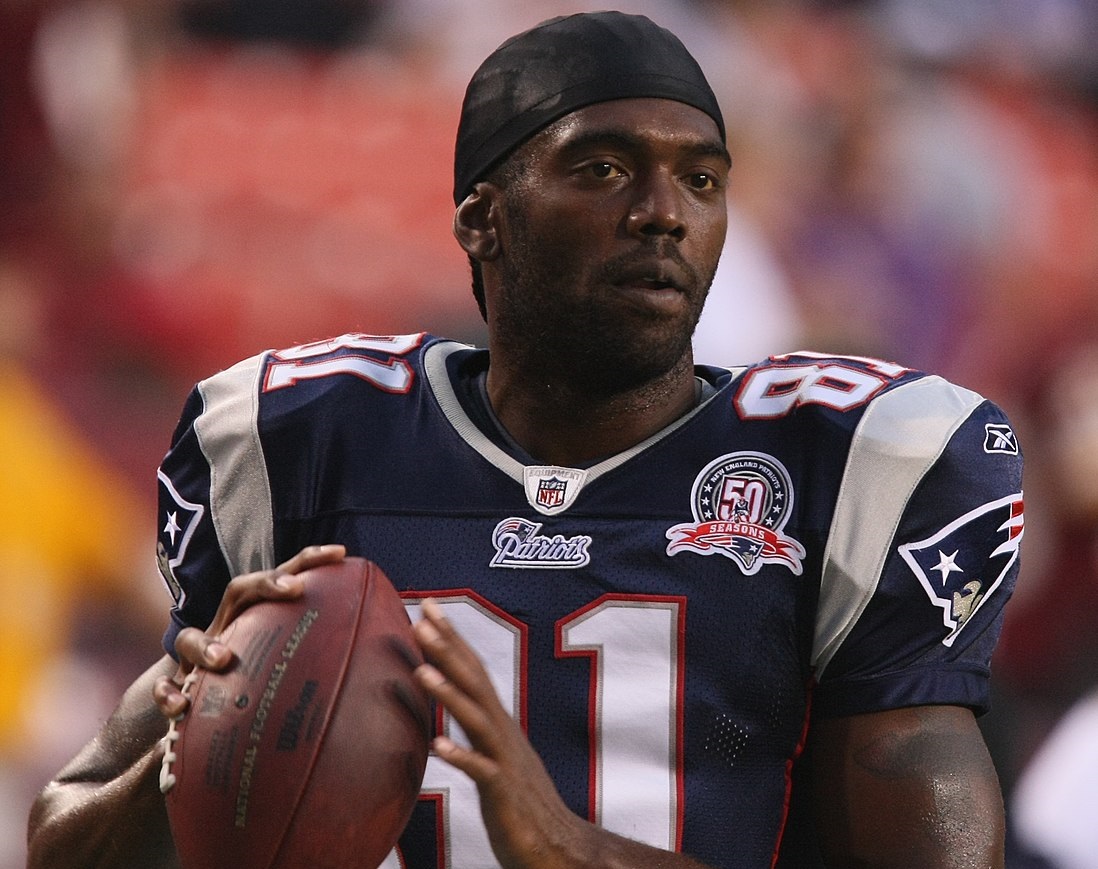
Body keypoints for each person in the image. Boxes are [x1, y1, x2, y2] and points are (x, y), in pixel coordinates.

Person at [27, 11, 1024, 868]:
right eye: (602, 168)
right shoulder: (301, 447)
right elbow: (61, 838)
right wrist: (188, 744)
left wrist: (572, 846)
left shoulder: (841, 467)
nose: (662, 214)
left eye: (702, 180)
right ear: (482, 221)